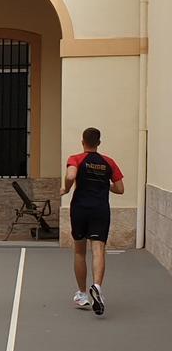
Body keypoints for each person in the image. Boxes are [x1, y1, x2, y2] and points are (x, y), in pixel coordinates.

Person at [62, 126, 124, 316]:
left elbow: (70, 175)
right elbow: (120, 189)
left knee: (80, 251)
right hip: (100, 209)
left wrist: (66, 188)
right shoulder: (108, 162)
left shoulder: (76, 159)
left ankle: (82, 294)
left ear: (83, 142)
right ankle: (97, 286)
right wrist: (105, 184)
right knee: (98, 250)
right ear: (99, 143)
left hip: (80, 209)